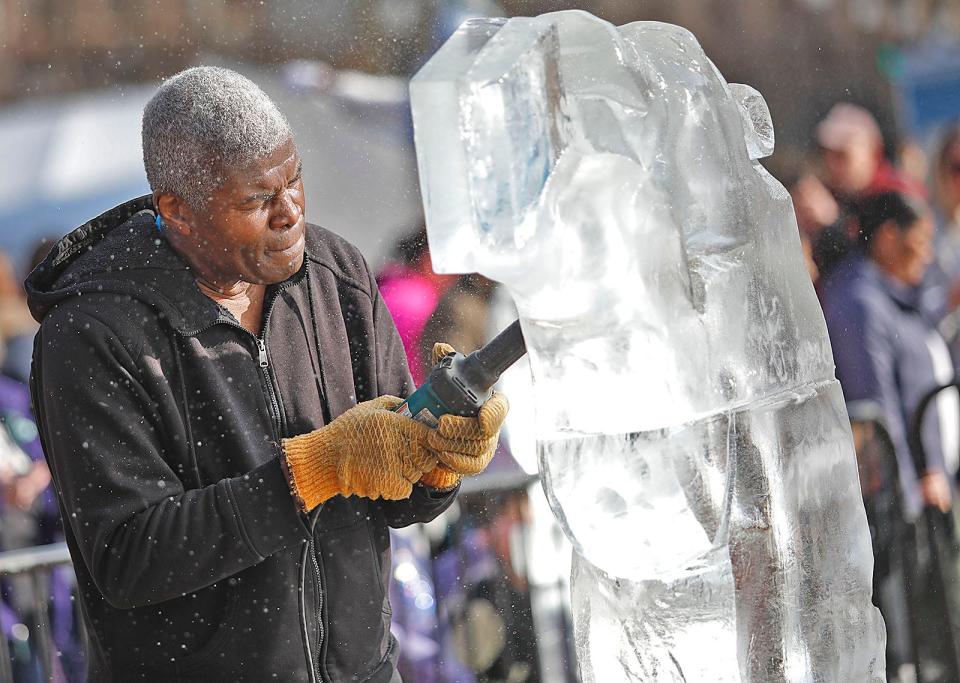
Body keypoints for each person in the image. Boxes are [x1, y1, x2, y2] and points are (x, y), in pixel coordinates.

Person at [25, 66, 507, 681]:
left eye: (294, 180)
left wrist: (437, 458)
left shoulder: (337, 273)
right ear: (178, 210)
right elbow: (129, 558)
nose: (290, 212)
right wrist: (312, 471)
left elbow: (396, 498)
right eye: (257, 199)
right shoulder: (91, 337)